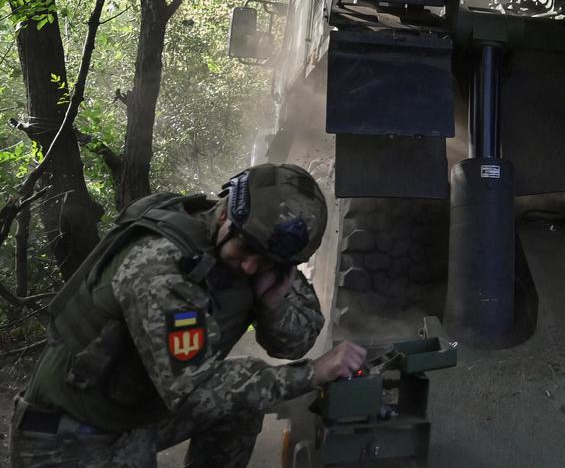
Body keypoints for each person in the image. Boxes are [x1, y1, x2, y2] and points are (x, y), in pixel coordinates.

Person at [9, 163, 366, 468]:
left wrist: (271, 306)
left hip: (137, 419)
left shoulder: (259, 245)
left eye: (267, 262)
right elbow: (195, 390)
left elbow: (299, 339)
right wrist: (312, 374)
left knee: (239, 406)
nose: (250, 266)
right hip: (69, 437)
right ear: (225, 213)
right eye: (246, 251)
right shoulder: (160, 266)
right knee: (231, 393)